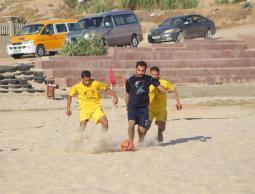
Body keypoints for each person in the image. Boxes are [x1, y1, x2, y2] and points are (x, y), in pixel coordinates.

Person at [125, 61, 173, 144]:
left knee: (142, 130)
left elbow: (158, 86)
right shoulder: (130, 80)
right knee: (131, 124)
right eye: (139, 70)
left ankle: (140, 141)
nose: (140, 72)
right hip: (132, 107)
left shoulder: (149, 79)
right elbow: (127, 93)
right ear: (136, 69)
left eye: (142, 70)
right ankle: (130, 142)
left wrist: (166, 90)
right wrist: (127, 105)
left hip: (143, 108)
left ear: (145, 70)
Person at [66, 70, 118, 141]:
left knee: (105, 123)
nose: (87, 82)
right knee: (82, 127)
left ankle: (102, 140)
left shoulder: (95, 83)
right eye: (86, 80)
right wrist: (68, 108)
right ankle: (76, 142)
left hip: (96, 108)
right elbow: (69, 96)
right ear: (82, 79)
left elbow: (106, 89)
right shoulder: (77, 86)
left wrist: (115, 96)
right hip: (84, 109)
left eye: (89, 80)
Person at [147, 66, 182, 142]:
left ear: (159, 74)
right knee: (146, 127)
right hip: (150, 109)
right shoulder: (147, 83)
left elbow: (174, 90)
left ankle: (159, 133)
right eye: (153, 74)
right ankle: (141, 140)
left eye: (156, 74)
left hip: (161, 109)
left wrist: (178, 102)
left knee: (162, 127)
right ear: (150, 74)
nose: (154, 76)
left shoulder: (164, 82)